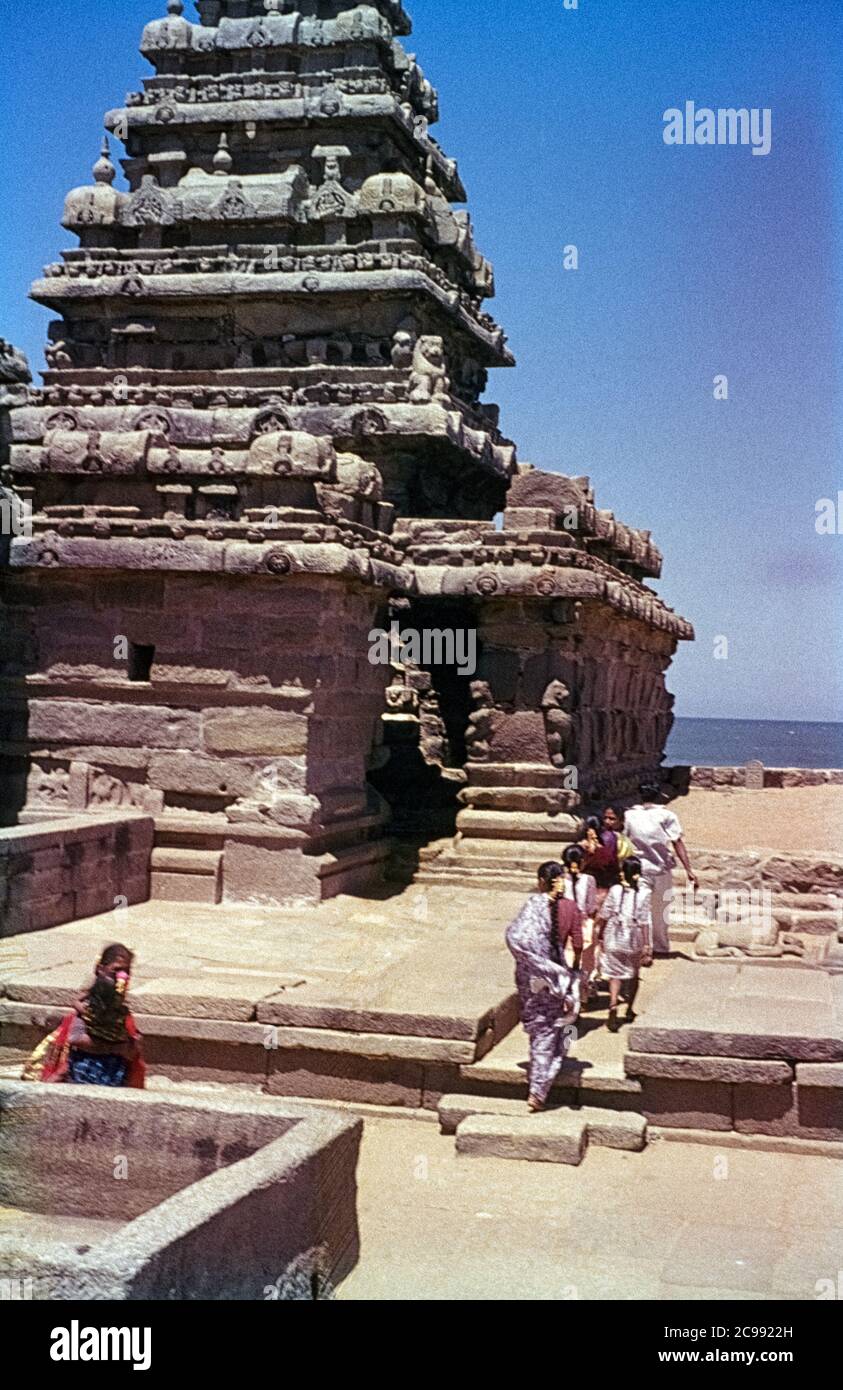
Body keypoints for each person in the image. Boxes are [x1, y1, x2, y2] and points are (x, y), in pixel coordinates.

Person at [505, 862, 581, 1113]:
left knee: (542, 1032)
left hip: (536, 978)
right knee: (548, 1032)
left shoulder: (533, 906)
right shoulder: (567, 907)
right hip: (548, 977)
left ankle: (538, 1089)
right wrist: (560, 973)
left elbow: (516, 938)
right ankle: (539, 1087)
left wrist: (541, 966)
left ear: (540, 881)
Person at [23, 944, 145, 1088]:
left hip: (113, 1070)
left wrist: (133, 1044)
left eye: (126, 971)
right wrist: (113, 1048)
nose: (122, 978)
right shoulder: (88, 1006)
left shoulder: (122, 1012)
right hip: (85, 1065)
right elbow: (76, 1038)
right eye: (116, 970)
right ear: (100, 969)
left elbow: (131, 1051)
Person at [624, 783, 697, 956]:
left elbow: (624, 840)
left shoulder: (629, 815)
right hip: (659, 869)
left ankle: (646, 946)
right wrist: (689, 869)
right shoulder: (666, 815)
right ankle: (656, 947)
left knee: (642, 908)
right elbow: (677, 842)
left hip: (639, 869)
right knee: (660, 911)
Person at [596, 857, 653, 1033]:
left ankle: (613, 1006)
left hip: (613, 936)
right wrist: (647, 945)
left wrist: (600, 935)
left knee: (615, 975)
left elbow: (605, 914)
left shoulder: (615, 890)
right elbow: (645, 920)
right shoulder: (645, 893)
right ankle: (629, 1009)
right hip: (633, 938)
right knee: (634, 974)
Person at [561, 845, 598, 1003]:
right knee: (585, 961)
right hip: (583, 925)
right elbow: (591, 906)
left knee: (566, 960)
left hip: (563, 924)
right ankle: (582, 996)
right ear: (582, 862)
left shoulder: (560, 880)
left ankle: (566, 996)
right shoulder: (589, 880)